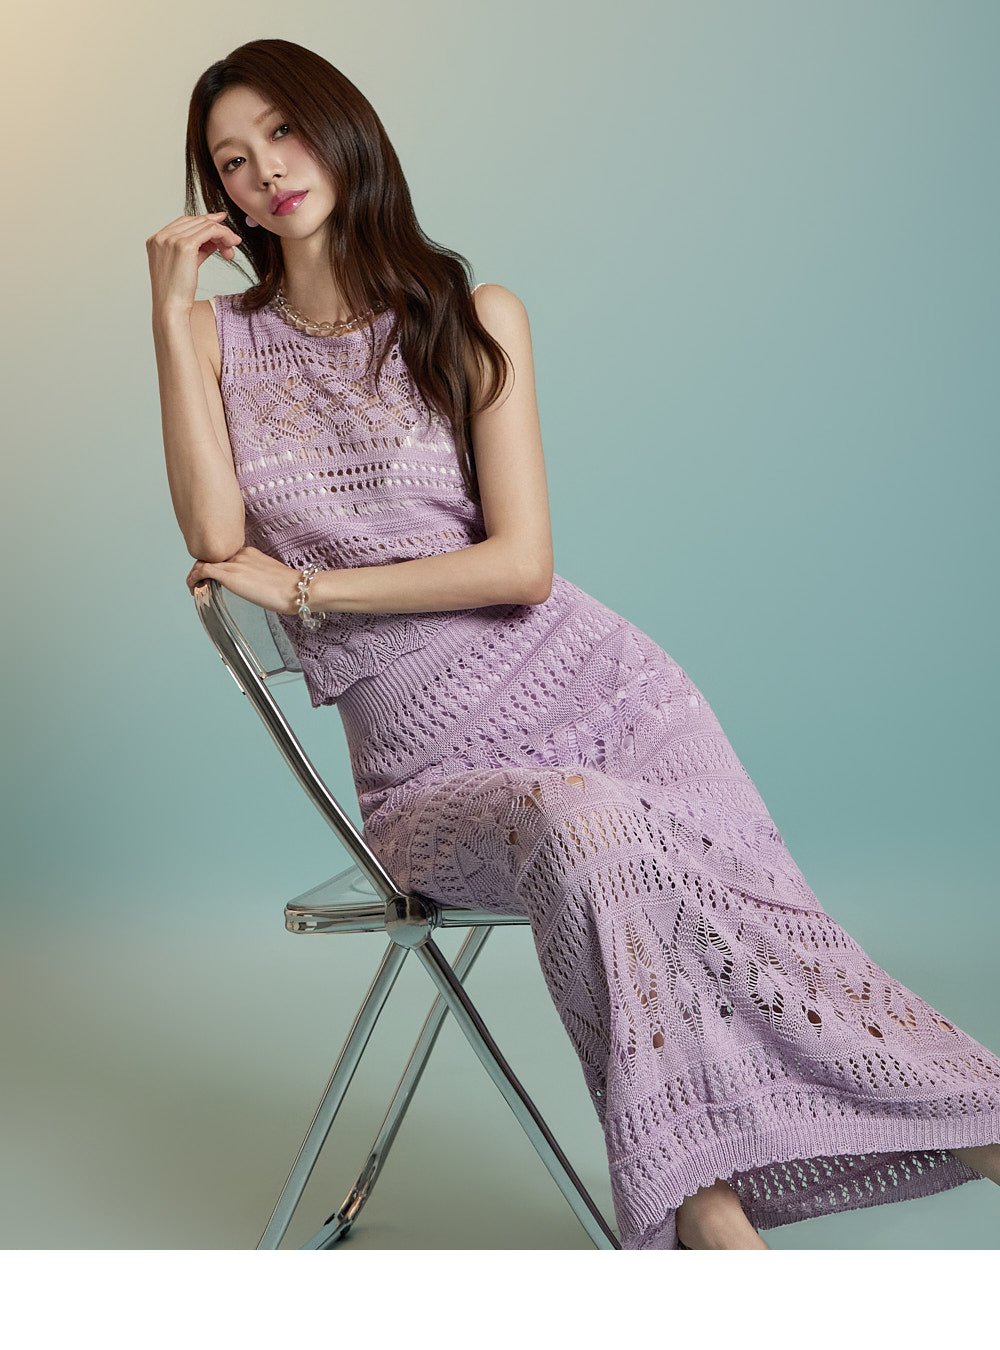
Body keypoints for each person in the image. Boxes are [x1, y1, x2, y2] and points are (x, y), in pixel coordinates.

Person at [148, 38, 1000, 1251]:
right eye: (233, 161)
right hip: (428, 777)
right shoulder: (214, 339)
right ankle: (741, 1204)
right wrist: (165, 313)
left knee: (737, 905)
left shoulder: (468, 315)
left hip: (604, 694)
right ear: (218, 195)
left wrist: (310, 589)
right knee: (586, 826)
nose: (266, 171)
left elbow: (520, 566)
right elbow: (213, 535)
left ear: (341, 129)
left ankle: (894, 1151)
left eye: (282, 131)